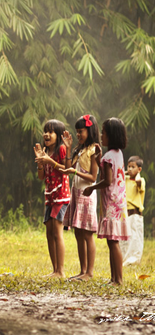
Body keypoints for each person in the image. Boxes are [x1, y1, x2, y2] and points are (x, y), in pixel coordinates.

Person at [83, 117, 128, 285]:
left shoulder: (109, 156)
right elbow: (107, 173)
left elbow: (107, 181)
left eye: (104, 133)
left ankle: (119, 280)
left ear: (112, 135)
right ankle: (114, 278)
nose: (101, 136)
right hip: (118, 203)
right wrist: (98, 158)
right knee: (112, 242)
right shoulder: (116, 154)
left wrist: (91, 188)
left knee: (113, 242)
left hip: (111, 205)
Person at [62, 115, 101, 280]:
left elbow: (93, 177)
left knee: (87, 234)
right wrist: (69, 149)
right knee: (78, 233)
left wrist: (75, 172)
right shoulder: (80, 149)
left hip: (87, 194)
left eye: (81, 131)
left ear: (90, 130)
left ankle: (89, 273)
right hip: (76, 194)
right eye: (77, 132)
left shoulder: (95, 149)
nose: (78, 135)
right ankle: (82, 270)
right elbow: (67, 167)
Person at [34, 120, 70, 278]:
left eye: (51, 132)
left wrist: (51, 162)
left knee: (57, 231)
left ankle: (60, 271)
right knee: (49, 232)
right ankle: (54, 269)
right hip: (50, 196)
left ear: (59, 135)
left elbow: (66, 169)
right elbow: (41, 177)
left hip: (61, 195)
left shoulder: (61, 149)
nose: (46, 134)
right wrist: (41, 162)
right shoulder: (45, 152)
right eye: (45, 131)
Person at [120, 155, 145, 266]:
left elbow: (139, 182)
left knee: (135, 238)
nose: (130, 169)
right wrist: (124, 174)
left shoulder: (141, 180)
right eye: (128, 166)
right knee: (124, 239)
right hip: (125, 213)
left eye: (133, 167)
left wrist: (137, 174)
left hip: (135, 214)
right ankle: (124, 260)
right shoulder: (125, 179)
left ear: (139, 169)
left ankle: (133, 261)